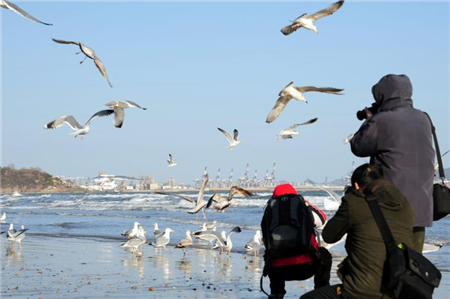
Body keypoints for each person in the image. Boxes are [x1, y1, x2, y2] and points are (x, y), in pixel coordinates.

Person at [300, 163, 415, 299]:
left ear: (356, 186)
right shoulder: (405, 202)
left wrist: (347, 204)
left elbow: (329, 236)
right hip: (402, 288)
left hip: (363, 290)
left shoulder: (354, 201)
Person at [350, 74, 434, 253]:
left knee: (389, 264)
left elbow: (358, 147)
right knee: (414, 266)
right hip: (421, 207)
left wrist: (369, 119)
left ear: (382, 96)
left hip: (391, 207)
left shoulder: (381, 120)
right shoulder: (424, 118)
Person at [262, 183, 332, 299]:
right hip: (307, 266)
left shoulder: (270, 210)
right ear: (294, 193)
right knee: (325, 254)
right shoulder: (302, 205)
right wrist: (306, 206)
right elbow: (322, 219)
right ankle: (321, 291)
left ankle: (277, 292)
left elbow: (266, 238)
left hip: (279, 270)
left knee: (268, 254)